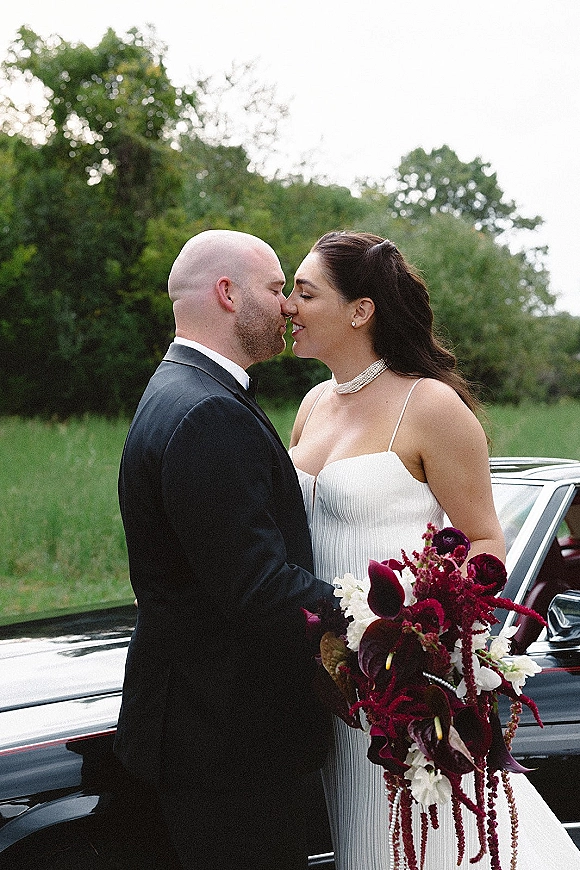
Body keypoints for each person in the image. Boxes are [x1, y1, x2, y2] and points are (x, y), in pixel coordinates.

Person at [283, 231, 580, 869]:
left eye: (304, 293)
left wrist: (422, 635)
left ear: (360, 311)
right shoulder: (312, 407)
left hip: (406, 690)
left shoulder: (431, 405)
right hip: (329, 691)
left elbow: (484, 540)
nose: (287, 306)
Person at [113, 229, 336, 870]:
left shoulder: (175, 388)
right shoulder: (209, 410)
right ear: (227, 294)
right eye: (275, 289)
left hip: (197, 728)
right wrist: (377, 601)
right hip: (229, 744)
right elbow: (257, 587)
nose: (288, 305)